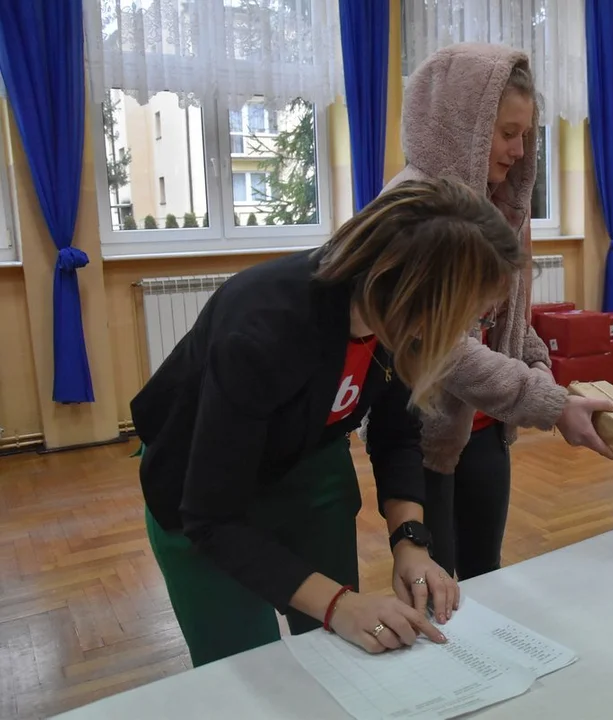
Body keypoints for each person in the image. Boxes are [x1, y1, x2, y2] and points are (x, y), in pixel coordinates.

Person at [131, 178, 525, 666]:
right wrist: (341, 605)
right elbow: (211, 518)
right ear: (417, 294)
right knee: (244, 663)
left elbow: (397, 432)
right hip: (198, 482)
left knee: (338, 654)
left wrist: (411, 543)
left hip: (307, 463)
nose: (471, 327)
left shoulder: (394, 312)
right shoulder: (262, 329)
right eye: (469, 313)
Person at [380, 43, 613, 581]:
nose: (517, 150)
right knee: (436, 583)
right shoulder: (414, 210)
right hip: (424, 435)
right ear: (463, 125)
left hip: (489, 425)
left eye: (526, 136)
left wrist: (537, 364)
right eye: (507, 133)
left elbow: (513, 316)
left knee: (486, 573)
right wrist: (550, 402)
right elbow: (443, 347)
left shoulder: (502, 204)